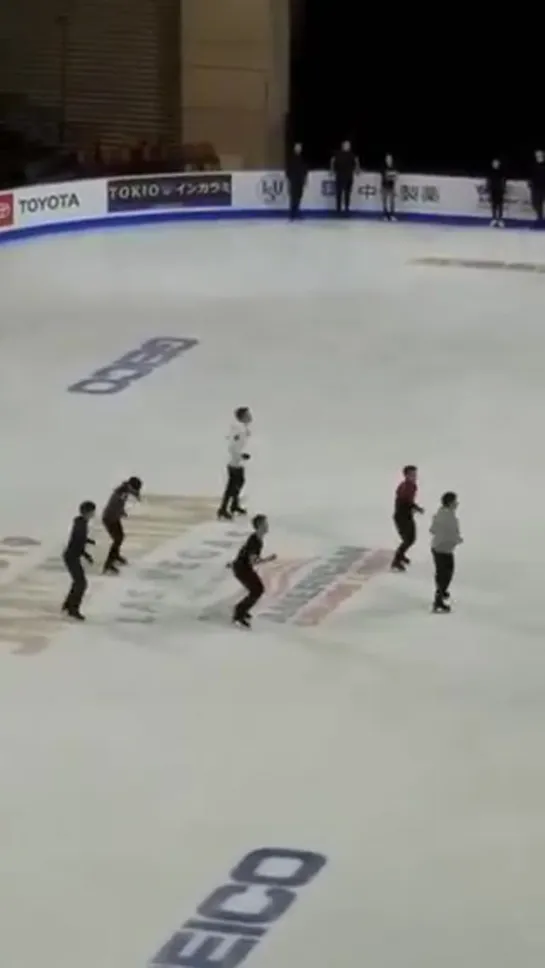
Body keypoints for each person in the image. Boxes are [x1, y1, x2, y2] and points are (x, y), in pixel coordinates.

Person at [230, 514, 276, 628]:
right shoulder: (254, 541)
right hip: (241, 568)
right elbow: (253, 561)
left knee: (256, 589)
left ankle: (241, 610)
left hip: (243, 567)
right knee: (257, 590)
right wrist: (268, 559)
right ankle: (238, 614)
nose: (267, 526)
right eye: (265, 524)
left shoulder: (257, 539)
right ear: (260, 526)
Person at [62, 500, 96, 620]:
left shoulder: (81, 522)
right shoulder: (81, 525)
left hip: (72, 555)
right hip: (72, 556)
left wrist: (88, 541)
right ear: (87, 512)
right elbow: (77, 542)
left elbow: (78, 539)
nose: (94, 514)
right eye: (92, 512)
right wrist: (86, 555)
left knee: (78, 582)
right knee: (81, 583)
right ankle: (73, 609)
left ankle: (68, 605)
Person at [217, 406, 252, 520]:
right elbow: (232, 446)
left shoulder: (243, 428)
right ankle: (223, 509)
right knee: (232, 486)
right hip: (234, 462)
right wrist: (240, 455)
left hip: (238, 462)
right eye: (248, 415)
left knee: (239, 482)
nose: (250, 416)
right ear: (242, 417)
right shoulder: (238, 429)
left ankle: (234, 505)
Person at [102, 476, 142, 574]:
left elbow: (124, 501)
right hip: (109, 518)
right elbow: (114, 506)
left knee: (120, 537)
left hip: (114, 518)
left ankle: (116, 556)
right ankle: (108, 564)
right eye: (134, 489)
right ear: (130, 486)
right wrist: (121, 512)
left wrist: (122, 511)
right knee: (117, 539)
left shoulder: (125, 490)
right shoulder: (120, 493)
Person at [430, 491, 462, 613]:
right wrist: (457, 539)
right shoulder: (450, 518)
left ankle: (441, 592)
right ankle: (438, 600)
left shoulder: (440, 513)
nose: (457, 503)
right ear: (450, 503)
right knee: (445, 574)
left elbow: (432, 529)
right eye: (455, 501)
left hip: (437, 547)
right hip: (444, 549)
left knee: (441, 573)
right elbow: (452, 534)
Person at [391, 465, 424, 571]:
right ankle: (396, 561)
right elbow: (403, 502)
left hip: (406, 515)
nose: (414, 476)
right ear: (406, 475)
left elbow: (408, 501)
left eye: (415, 474)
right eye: (412, 475)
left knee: (410, 538)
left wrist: (414, 507)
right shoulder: (406, 487)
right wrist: (416, 508)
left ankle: (401, 556)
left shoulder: (412, 486)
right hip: (402, 516)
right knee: (409, 539)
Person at [331, 140, 359, 216]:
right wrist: (332, 170)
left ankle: (346, 208)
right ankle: (338, 209)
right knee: (339, 193)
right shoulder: (338, 153)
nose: (348, 146)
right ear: (343, 146)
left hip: (349, 176)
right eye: (346, 145)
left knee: (347, 193)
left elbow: (356, 162)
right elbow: (332, 161)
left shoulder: (352, 154)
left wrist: (357, 169)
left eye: (349, 145)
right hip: (340, 175)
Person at [286, 143, 308, 219]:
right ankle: (292, 214)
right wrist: (290, 178)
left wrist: (305, 179)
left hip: (300, 180)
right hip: (293, 180)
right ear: (294, 149)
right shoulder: (291, 158)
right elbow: (288, 169)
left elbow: (305, 170)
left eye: (299, 148)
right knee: (293, 197)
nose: (298, 149)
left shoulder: (302, 158)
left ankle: (297, 212)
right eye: (297, 147)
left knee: (299, 196)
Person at [487, 158, 506, 227]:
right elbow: (488, 181)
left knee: (500, 205)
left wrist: (503, 188)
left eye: (497, 163)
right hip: (493, 190)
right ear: (492, 164)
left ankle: (500, 219)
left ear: (499, 164)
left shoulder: (501, 171)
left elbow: (504, 181)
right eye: (494, 163)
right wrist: (488, 188)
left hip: (500, 190)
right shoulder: (490, 171)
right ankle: (494, 218)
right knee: (494, 205)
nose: (495, 164)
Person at [529, 150, 545, 224]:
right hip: (535, 187)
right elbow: (531, 175)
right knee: (535, 203)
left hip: (543, 186)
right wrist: (530, 183)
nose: (538, 156)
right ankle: (540, 217)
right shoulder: (533, 165)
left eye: (539, 155)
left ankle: (540, 219)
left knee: (541, 202)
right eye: (537, 155)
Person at [381, 153, 398, 220]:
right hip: (384, 186)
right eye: (387, 159)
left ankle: (392, 215)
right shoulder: (383, 167)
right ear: (386, 160)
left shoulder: (394, 167)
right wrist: (392, 176)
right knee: (384, 202)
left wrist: (391, 176)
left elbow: (396, 176)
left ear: (392, 159)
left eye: (390, 159)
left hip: (392, 187)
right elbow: (385, 176)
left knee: (392, 202)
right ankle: (385, 215)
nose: (389, 160)